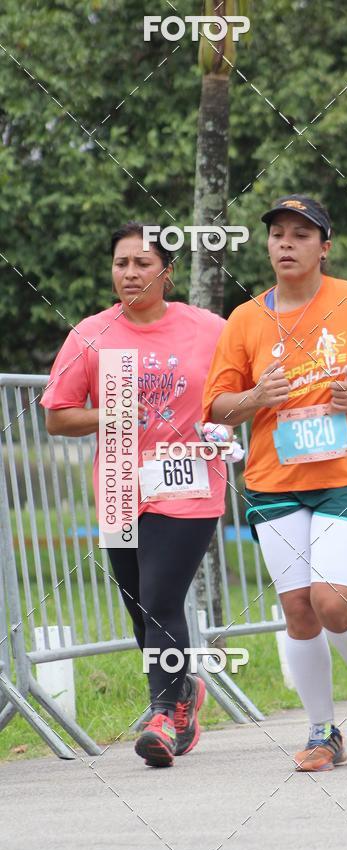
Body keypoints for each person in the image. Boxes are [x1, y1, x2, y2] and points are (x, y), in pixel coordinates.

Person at [203, 195, 347, 772]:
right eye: (278, 234)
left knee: (330, 600)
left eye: (301, 235)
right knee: (298, 610)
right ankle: (323, 731)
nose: (287, 244)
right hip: (275, 481)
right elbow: (217, 406)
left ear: (324, 247)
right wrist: (255, 398)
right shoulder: (246, 319)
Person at [41, 222, 228, 768]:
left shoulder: (209, 329)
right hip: (120, 486)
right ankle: (183, 691)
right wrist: (110, 414)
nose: (129, 273)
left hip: (188, 483)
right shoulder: (91, 334)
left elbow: (238, 390)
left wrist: (233, 418)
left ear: (167, 273)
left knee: (161, 597)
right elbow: (58, 417)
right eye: (121, 263)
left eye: (142, 263)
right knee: (141, 610)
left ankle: (163, 715)